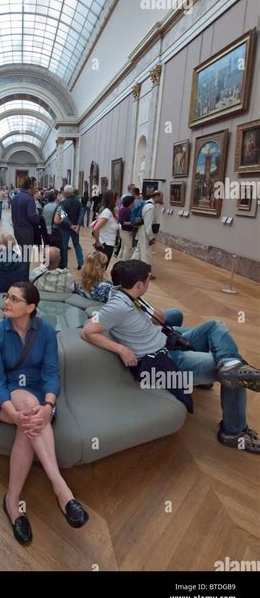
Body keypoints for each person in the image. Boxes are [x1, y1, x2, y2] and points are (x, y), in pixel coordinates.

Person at [81, 260, 260, 454]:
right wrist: (121, 349)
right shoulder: (117, 306)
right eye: (148, 279)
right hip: (161, 360)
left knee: (215, 327)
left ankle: (230, 364)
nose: (149, 282)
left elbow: (148, 320)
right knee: (237, 378)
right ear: (139, 284)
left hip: (165, 341)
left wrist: (152, 316)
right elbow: (87, 331)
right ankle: (233, 432)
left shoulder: (131, 295)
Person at [0, 282, 89, 543]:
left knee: (28, 425)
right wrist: (13, 413)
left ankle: (12, 501)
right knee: (26, 404)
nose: (6, 302)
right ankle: (61, 489)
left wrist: (48, 406)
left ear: (30, 307)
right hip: (7, 400)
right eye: (6, 296)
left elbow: (51, 373)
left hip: (38, 403)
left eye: (14, 299)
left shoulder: (45, 332)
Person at [75, 251, 183, 326]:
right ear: (101, 268)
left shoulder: (81, 283)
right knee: (176, 314)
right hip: (136, 319)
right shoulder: (106, 288)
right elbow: (151, 314)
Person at [132, 191, 162, 276]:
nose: (162, 199)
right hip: (145, 232)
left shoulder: (148, 204)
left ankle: (130, 267)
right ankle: (146, 274)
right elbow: (148, 224)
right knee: (146, 253)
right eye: (161, 197)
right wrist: (151, 237)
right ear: (157, 196)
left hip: (143, 231)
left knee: (138, 251)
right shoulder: (150, 207)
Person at [54, 185, 84, 270]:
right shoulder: (78, 201)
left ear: (65, 193)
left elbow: (64, 215)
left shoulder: (64, 203)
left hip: (66, 228)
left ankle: (65, 265)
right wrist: (78, 225)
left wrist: (70, 225)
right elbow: (81, 214)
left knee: (64, 246)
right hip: (75, 228)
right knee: (77, 244)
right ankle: (80, 262)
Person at [92, 190, 118, 264]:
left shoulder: (110, 211)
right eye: (117, 198)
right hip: (105, 244)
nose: (118, 200)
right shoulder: (107, 212)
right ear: (112, 199)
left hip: (108, 243)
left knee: (101, 266)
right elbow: (96, 228)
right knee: (101, 266)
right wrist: (97, 241)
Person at [118, 195, 135, 260]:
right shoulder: (125, 210)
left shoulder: (126, 209)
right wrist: (132, 223)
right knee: (127, 247)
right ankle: (124, 261)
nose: (134, 203)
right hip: (125, 231)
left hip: (126, 231)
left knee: (123, 246)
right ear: (130, 203)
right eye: (133, 202)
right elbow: (122, 222)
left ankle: (120, 259)